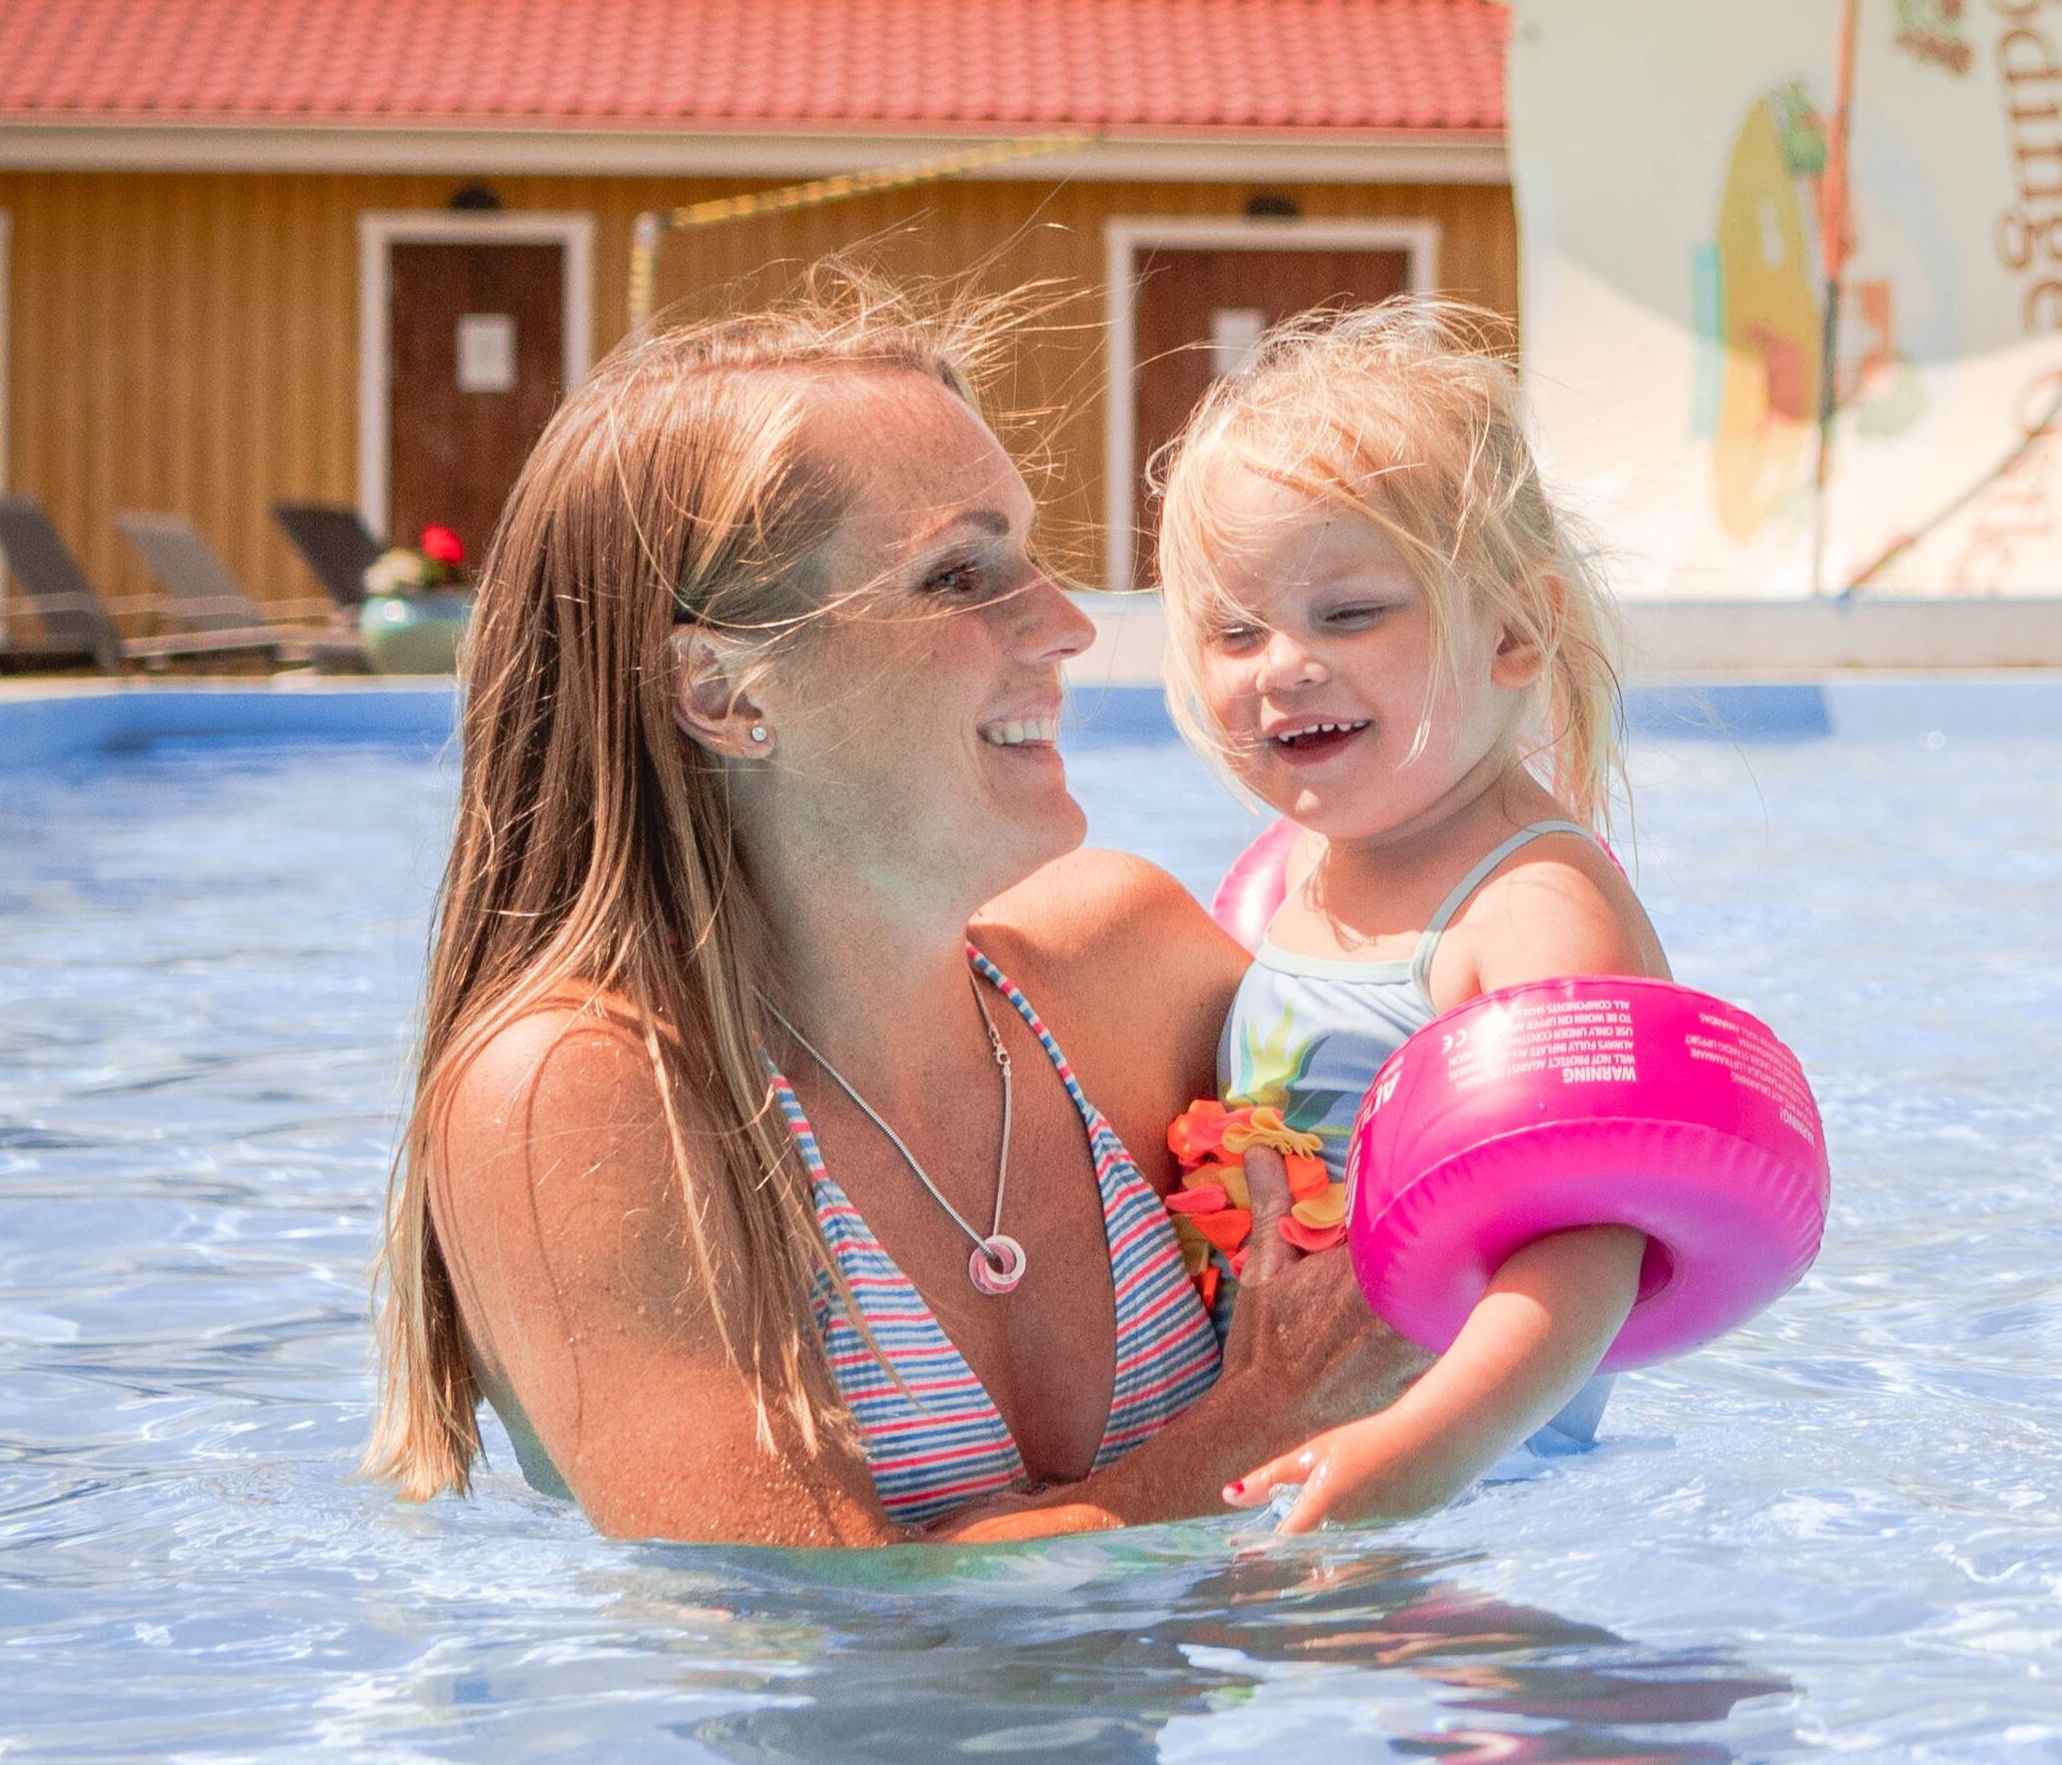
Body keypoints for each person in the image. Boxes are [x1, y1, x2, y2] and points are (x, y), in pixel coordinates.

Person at [370, 288, 1394, 1547]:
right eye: (961, 573)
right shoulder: (584, 1099)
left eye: (1029, 553)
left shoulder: (1134, 965)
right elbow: (818, 1626)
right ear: (723, 690)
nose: (1067, 623)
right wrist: (1271, 1414)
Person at [1141, 302, 1667, 1537]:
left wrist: (1412, 1456)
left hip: (1470, 1481)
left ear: (1514, 630)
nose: (1280, 664)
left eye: (1349, 611)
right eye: (1233, 629)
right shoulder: (1300, 875)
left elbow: (1591, 1247)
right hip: (1293, 1434)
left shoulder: (1529, 909)